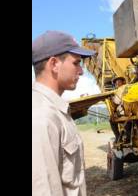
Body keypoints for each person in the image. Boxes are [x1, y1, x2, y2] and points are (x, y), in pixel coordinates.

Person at [32, 30, 95, 196]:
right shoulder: (42, 116)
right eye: (76, 63)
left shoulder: (53, 110)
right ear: (54, 64)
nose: (81, 71)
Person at [110, 76, 127, 142]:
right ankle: (126, 134)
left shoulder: (120, 90)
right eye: (116, 83)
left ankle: (117, 136)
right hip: (131, 110)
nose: (117, 84)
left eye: (118, 82)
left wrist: (112, 98)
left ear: (122, 82)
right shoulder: (128, 87)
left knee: (111, 120)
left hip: (124, 112)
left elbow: (117, 102)